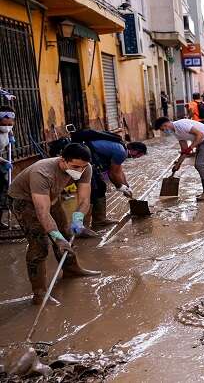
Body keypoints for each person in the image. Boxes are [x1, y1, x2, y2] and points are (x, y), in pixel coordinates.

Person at [8, 143, 100, 304]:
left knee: (66, 232)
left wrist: (78, 218)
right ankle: (39, 293)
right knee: (40, 244)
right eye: (75, 167)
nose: (79, 171)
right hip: (24, 201)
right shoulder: (42, 172)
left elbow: (85, 199)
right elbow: (42, 212)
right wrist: (56, 238)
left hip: (51, 196)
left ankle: (71, 269)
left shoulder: (86, 168)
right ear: (63, 160)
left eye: (83, 167)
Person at [73, 130, 147, 230]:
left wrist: (127, 186)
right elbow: (112, 174)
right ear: (134, 150)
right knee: (92, 193)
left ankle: (99, 221)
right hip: (82, 160)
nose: (137, 158)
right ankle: (82, 228)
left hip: (87, 159)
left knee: (100, 188)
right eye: (139, 155)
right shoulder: (121, 152)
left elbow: (118, 170)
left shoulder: (121, 147)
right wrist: (120, 187)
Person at [153, 116, 204, 200]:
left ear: (165, 125)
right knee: (199, 164)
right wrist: (178, 164)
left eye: (162, 129)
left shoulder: (181, 125)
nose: (164, 131)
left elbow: (200, 135)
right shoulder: (176, 133)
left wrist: (190, 148)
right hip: (202, 142)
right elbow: (184, 150)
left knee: (199, 165)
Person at [0, 106, 15, 229]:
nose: (9, 125)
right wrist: (4, 161)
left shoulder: (7, 129)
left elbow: (9, 130)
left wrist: (11, 135)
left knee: (3, 188)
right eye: (7, 122)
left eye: (11, 122)